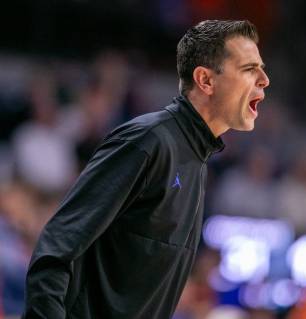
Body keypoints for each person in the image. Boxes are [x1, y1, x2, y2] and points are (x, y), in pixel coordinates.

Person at [22, 19, 269, 319]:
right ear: (205, 80)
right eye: (248, 69)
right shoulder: (148, 142)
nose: (264, 80)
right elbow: (56, 248)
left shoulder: (196, 159)